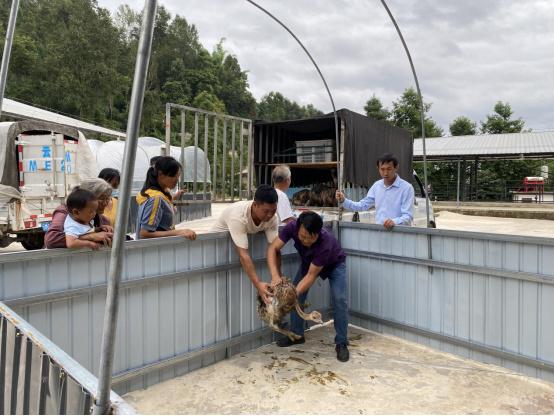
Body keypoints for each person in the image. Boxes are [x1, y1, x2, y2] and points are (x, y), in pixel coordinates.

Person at [267, 211, 349, 362]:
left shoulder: (326, 243)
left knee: (339, 299)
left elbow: (311, 276)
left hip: (334, 264)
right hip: (308, 262)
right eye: (302, 236)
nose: (304, 241)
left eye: (309, 238)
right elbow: (273, 248)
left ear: (318, 233)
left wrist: (290, 295)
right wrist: (275, 276)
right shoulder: (292, 226)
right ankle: (297, 335)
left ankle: (341, 343)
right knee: (298, 296)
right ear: (298, 227)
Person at [210, 185, 279, 303]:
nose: (270, 215)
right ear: (255, 205)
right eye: (266, 211)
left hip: (239, 255)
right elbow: (243, 255)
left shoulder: (272, 218)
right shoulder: (238, 216)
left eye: (273, 211)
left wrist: (276, 276)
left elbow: (275, 248)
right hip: (215, 252)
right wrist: (258, 284)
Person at [336, 153, 414, 229]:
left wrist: (394, 222)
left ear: (396, 167)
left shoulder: (406, 188)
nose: (385, 173)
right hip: (380, 234)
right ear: (378, 168)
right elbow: (362, 205)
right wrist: (344, 200)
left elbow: (408, 216)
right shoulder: (377, 186)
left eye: (389, 169)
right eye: (382, 169)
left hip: (400, 235)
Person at [136, 156, 196, 240]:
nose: (176, 180)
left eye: (178, 177)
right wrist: (178, 232)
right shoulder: (156, 198)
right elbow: (145, 234)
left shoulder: (155, 193)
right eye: (174, 176)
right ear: (160, 174)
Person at [44, 178, 113, 249]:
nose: (105, 203)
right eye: (101, 198)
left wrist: (102, 231)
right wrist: (91, 236)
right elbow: (51, 240)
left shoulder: (103, 220)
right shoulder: (66, 212)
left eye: (107, 198)